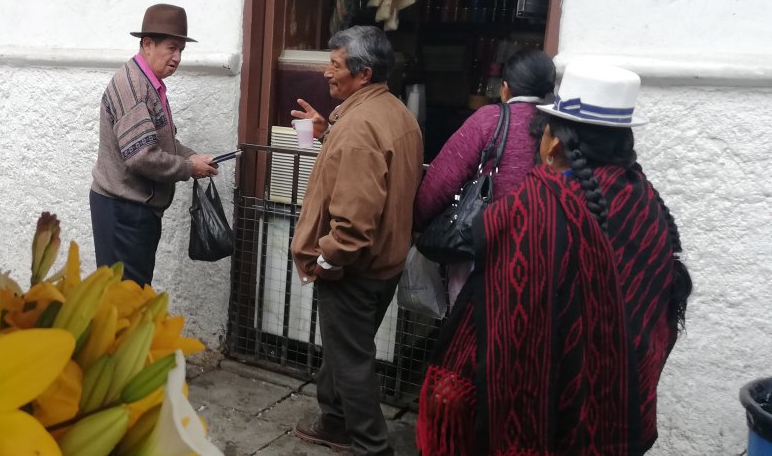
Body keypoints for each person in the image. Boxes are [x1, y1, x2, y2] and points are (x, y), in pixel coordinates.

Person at [417, 63, 693, 455]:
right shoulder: (645, 202)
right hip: (619, 417)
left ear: (553, 144)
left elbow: (503, 331)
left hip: (545, 426)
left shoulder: (536, 211)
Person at [289, 25, 424, 456]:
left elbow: (353, 218)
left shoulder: (359, 127)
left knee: (351, 360)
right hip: (384, 261)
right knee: (345, 347)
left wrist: (328, 259)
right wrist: (327, 129)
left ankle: (371, 444)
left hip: (356, 267)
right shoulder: (394, 112)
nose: (326, 72)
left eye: (335, 65)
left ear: (363, 74)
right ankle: (334, 421)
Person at [90, 4, 217, 286]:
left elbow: (159, 141)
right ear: (148, 44)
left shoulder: (148, 82)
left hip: (130, 209)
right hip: (123, 210)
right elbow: (141, 156)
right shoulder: (135, 87)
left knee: (131, 295)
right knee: (127, 299)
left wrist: (193, 157)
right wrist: (188, 167)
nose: (177, 57)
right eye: (172, 48)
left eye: (181, 50)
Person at [414, 49, 556, 302]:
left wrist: (419, 222)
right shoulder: (560, 127)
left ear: (505, 89)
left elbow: (441, 181)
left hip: (483, 254)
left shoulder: (489, 119)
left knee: (475, 323)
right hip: (544, 254)